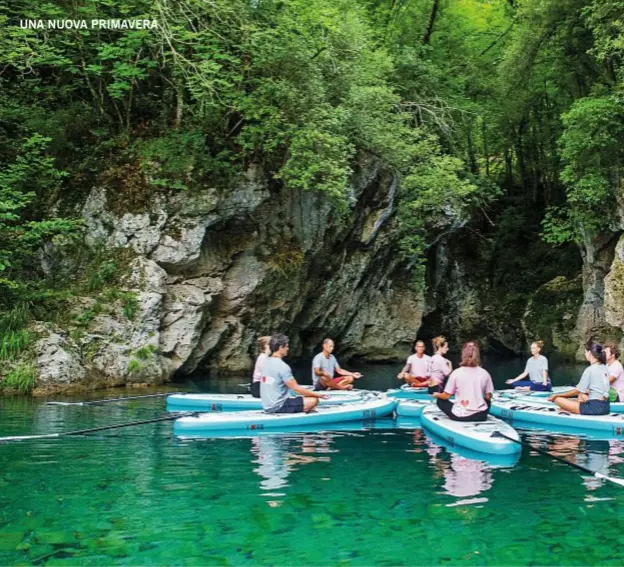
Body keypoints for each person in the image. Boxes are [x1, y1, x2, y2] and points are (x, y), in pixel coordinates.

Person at [261, 334, 327, 413]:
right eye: (286, 346)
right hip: (278, 406)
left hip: (266, 406)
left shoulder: (266, 362)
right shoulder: (283, 366)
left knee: (301, 397)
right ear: (281, 347)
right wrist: (318, 395)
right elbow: (296, 389)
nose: (288, 349)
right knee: (313, 400)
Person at [432, 341, 494, 422]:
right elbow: (488, 396)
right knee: (487, 401)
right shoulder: (485, 373)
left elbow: (446, 396)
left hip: (460, 415)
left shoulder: (456, 373)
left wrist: (436, 395)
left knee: (440, 401)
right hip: (481, 415)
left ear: (463, 355)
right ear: (478, 356)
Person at [547, 341, 610, 415]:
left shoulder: (590, 369)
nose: (585, 354)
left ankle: (570, 410)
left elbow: (578, 390)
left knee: (557, 399)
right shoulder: (604, 367)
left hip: (594, 408)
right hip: (606, 406)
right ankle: (572, 409)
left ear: (590, 353)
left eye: (585, 352)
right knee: (581, 396)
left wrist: (557, 395)